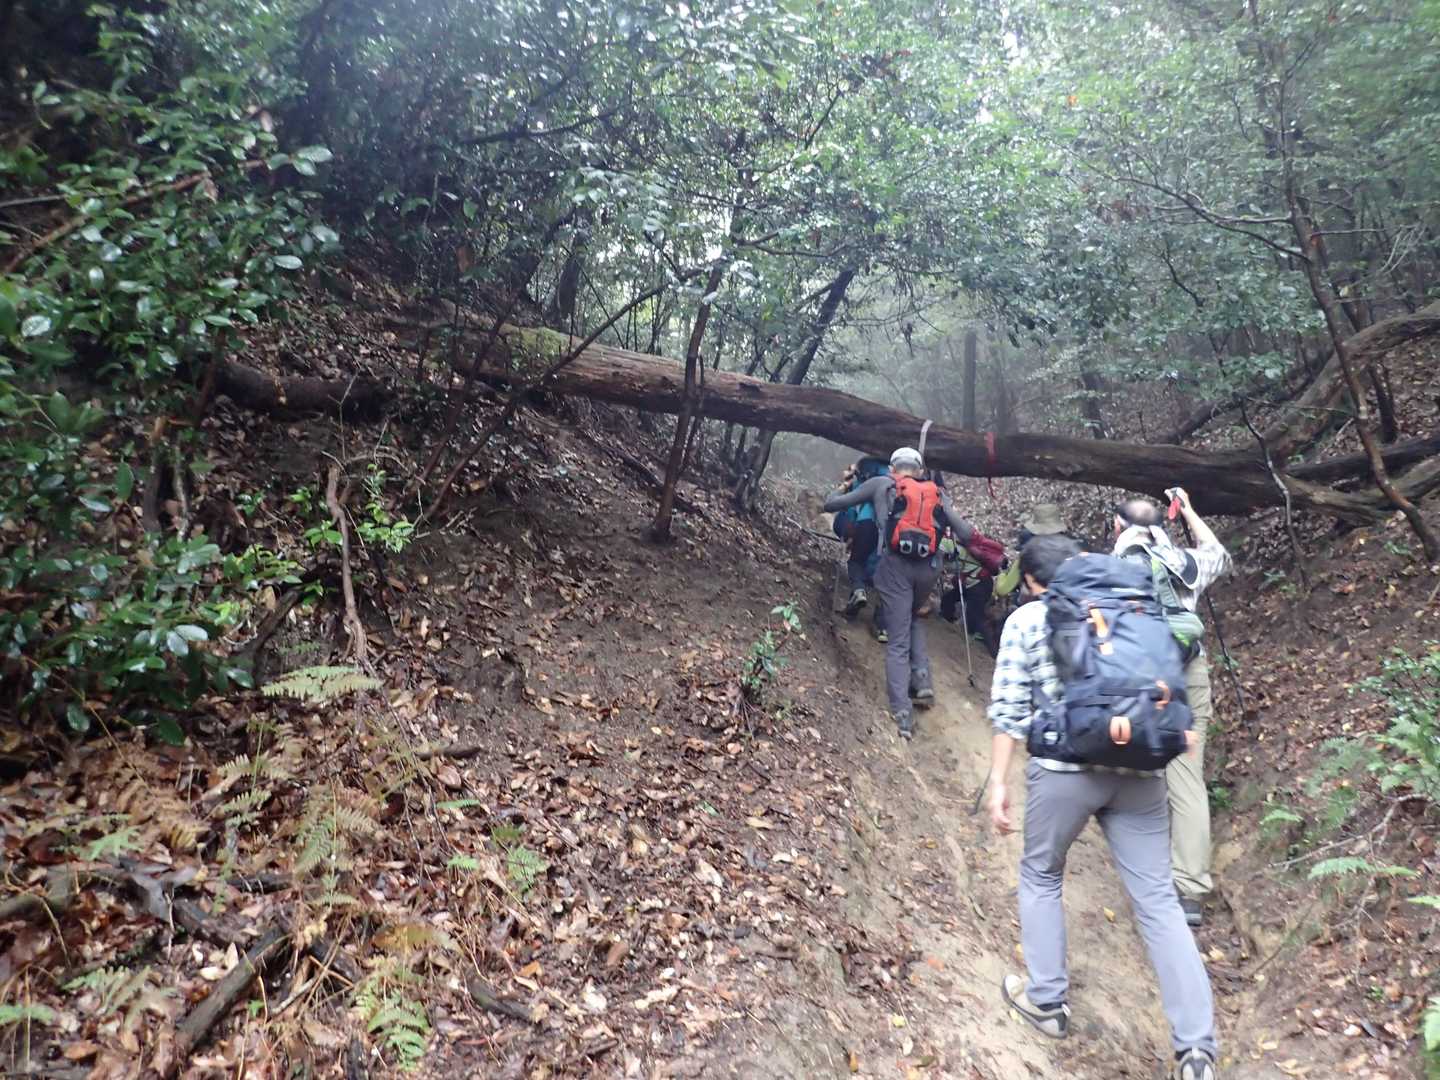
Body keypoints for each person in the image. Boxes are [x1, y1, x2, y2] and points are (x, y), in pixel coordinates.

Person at [987, 534, 1219, 1080]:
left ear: (1032, 582)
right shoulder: (1135, 611)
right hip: (1140, 771)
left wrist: (998, 781)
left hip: (1064, 772)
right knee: (1159, 902)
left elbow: (1010, 710)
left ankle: (1046, 1000)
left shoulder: (1027, 620)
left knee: (1041, 874)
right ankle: (1197, 1050)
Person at [1111, 489, 1232, 929]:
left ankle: (1140, 872)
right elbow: (1219, 555)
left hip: (1143, 679)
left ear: (1119, 527)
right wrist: (1192, 512)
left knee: (1133, 767)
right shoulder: (1183, 562)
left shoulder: (1117, 565)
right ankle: (1191, 889)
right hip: (1189, 674)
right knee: (1187, 779)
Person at [822, 447, 985, 739]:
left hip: (895, 568)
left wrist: (842, 488)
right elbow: (965, 533)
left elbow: (832, 504)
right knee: (913, 616)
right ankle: (922, 681)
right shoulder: (936, 493)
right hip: (929, 570)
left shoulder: (881, 484)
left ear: (892, 468)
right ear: (920, 470)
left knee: (897, 642)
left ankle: (902, 716)